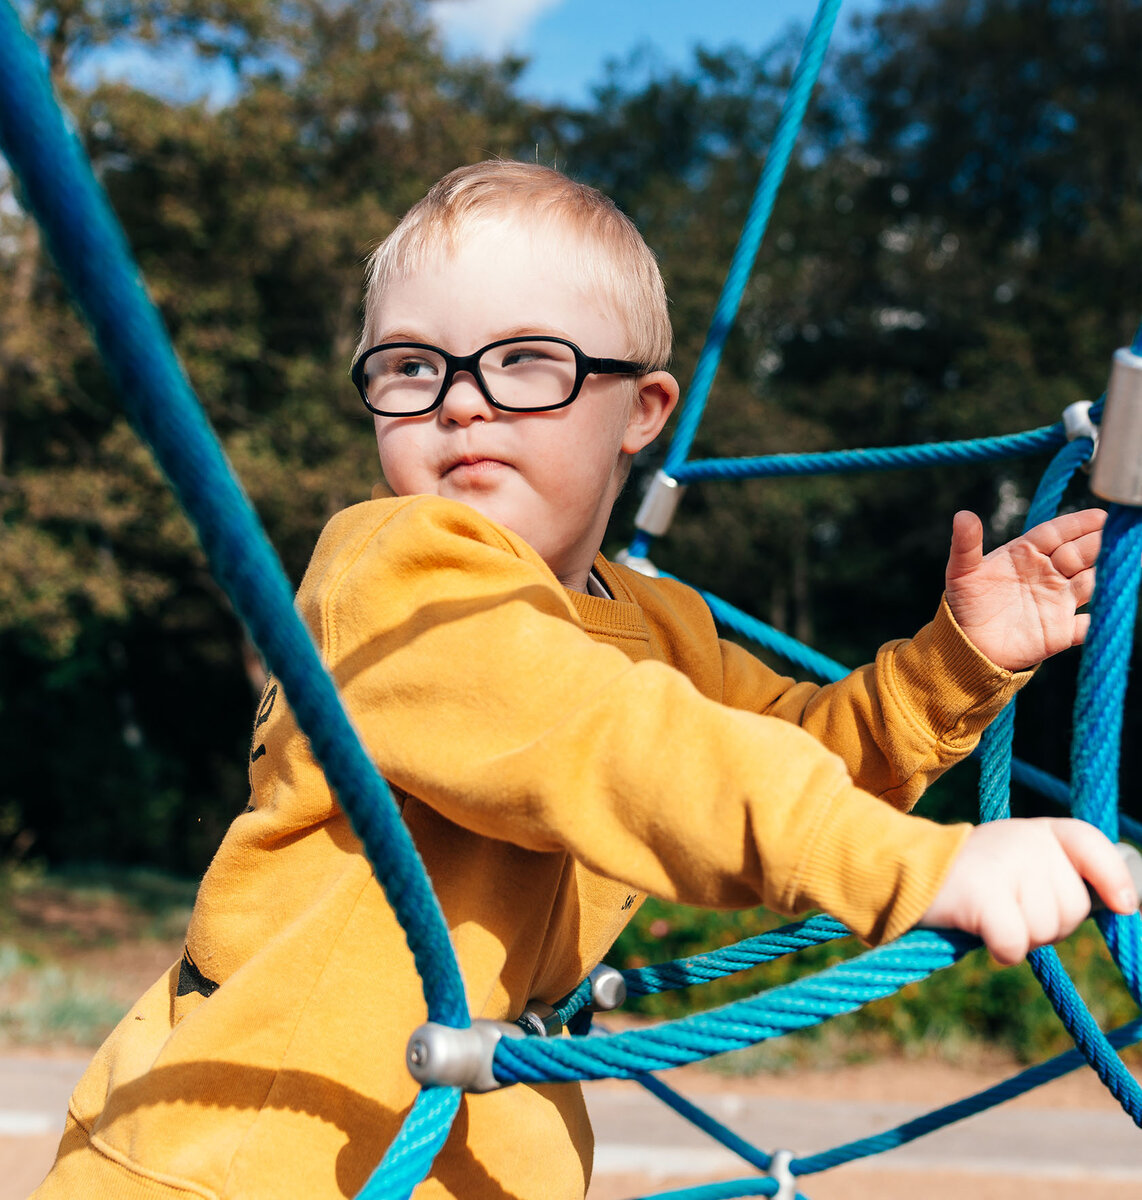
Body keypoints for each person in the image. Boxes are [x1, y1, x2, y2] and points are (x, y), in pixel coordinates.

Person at [34, 161, 1136, 1200]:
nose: (460, 403)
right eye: (413, 367)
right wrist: (915, 870)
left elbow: (803, 752)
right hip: (244, 1153)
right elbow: (606, 743)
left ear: (642, 411)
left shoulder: (658, 619)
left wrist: (958, 661)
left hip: (458, 1134)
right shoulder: (393, 570)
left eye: (523, 361)